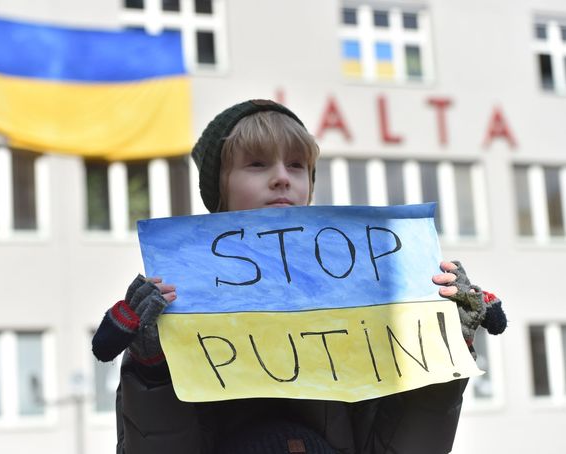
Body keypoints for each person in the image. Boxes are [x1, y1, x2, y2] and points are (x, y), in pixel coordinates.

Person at [92, 99, 507, 454]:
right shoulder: (175, 302)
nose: (281, 177)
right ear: (219, 190)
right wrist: (151, 367)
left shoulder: (359, 288)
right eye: (257, 164)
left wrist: (446, 344)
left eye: (296, 165)